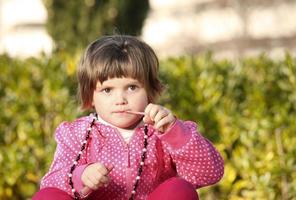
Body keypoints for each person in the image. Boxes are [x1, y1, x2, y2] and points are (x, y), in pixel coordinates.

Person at [33, 35, 224, 200]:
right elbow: (51, 182)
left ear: (150, 90)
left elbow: (210, 173)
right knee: (47, 196)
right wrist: (81, 175)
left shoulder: (162, 130)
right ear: (90, 96)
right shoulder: (76, 134)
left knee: (179, 189)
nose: (120, 100)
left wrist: (175, 133)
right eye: (107, 90)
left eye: (132, 88)